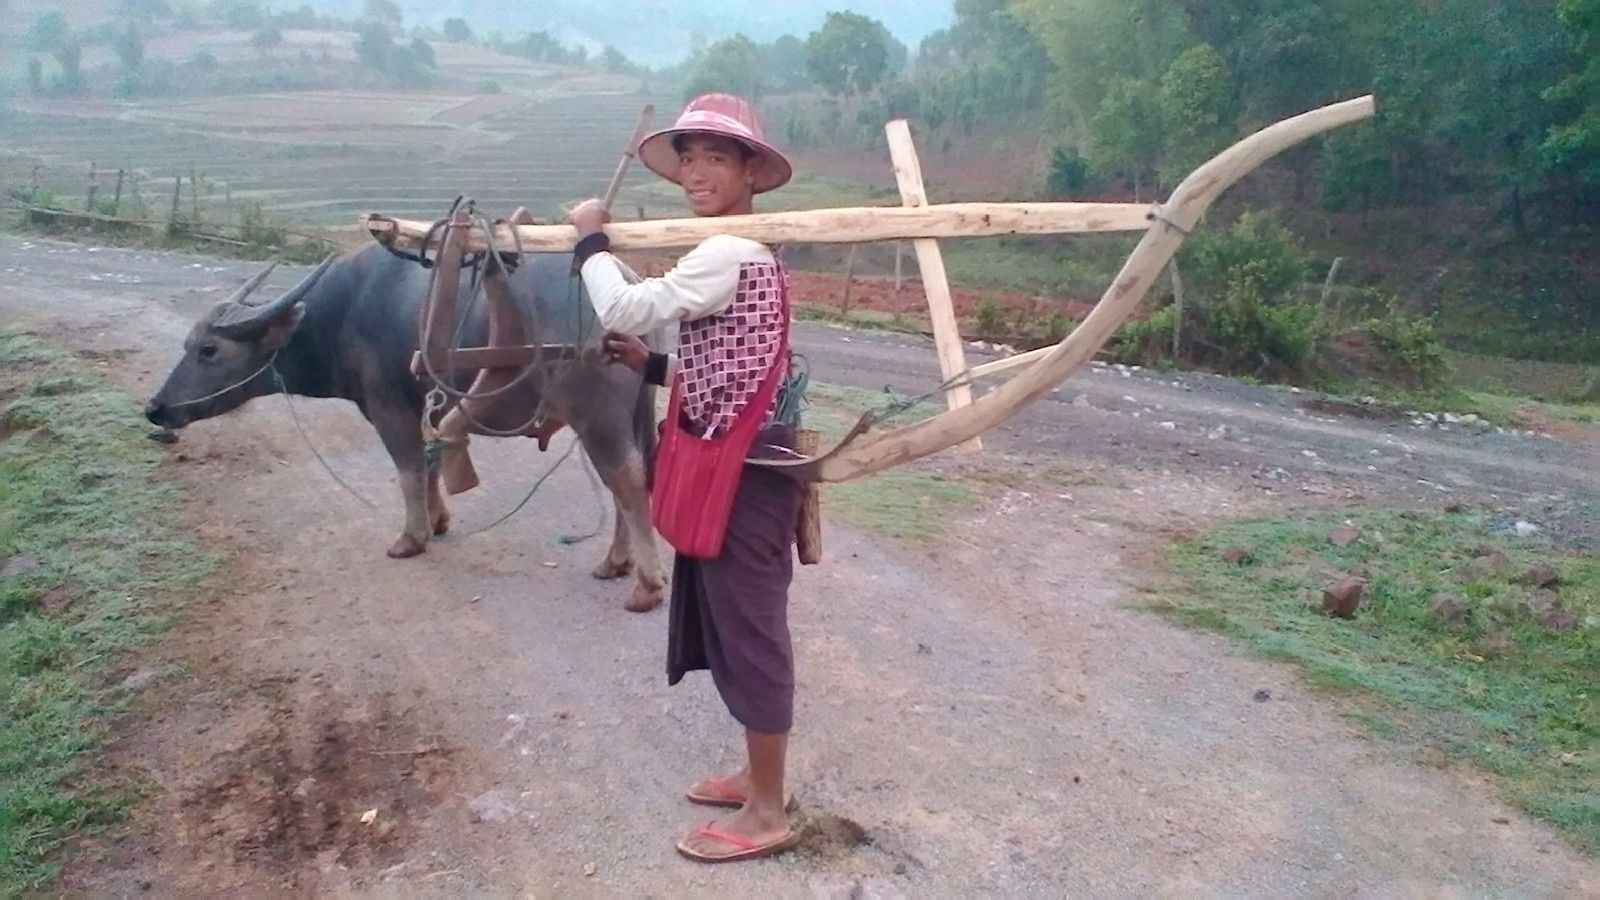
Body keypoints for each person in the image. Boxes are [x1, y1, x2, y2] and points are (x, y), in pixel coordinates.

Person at [568, 93, 805, 864]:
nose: (698, 171)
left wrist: (589, 242)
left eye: (717, 157)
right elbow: (732, 366)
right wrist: (656, 367)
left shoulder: (726, 253)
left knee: (751, 630)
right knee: (733, 625)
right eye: (689, 157)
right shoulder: (749, 255)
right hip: (747, 458)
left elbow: (630, 306)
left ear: (749, 173)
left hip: (745, 473)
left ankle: (770, 810)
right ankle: (753, 775)